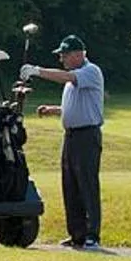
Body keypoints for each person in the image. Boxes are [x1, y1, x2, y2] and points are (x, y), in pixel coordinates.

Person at [25, 35, 103, 248]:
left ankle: (92, 234)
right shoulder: (73, 78)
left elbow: (66, 77)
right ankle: (77, 233)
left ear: (79, 54)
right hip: (71, 136)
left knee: (87, 184)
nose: (62, 59)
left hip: (87, 135)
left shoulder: (90, 71)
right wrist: (54, 110)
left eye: (65, 55)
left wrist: (38, 71)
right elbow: (76, 105)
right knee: (70, 185)